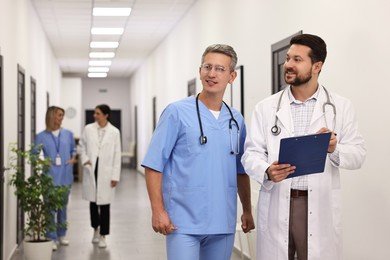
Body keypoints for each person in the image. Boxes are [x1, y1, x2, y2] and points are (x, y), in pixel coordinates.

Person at [241, 34, 366, 260]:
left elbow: (358, 155)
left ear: (317, 66)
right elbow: (250, 154)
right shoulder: (265, 108)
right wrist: (267, 170)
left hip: (318, 203)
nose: (288, 64)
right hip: (278, 201)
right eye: (288, 58)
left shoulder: (340, 107)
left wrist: (334, 148)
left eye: (297, 60)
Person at [142, 44, 255, 260]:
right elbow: (153, 164)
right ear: (200, 71)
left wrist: (247, 210)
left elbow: (241, 170)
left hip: (223, 221)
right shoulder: (176, 112)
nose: (211, 74)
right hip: (182, 221)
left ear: (232, 76)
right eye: (207, 67)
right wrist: (158, 210)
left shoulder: (235, 119)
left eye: (220, 69)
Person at [78, 104, 121, 248]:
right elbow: (81, 146)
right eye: (95, 113)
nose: (94, 115)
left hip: (106, 172)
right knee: (93, 203)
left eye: (97, 113)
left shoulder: (114, 132)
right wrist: (85, 159)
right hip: (92, 169)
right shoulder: (88, 129)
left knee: (104, 205)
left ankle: (103, 235)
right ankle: (95, 230)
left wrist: (115, 175)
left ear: (106, 115)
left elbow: (117, 154)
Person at [34, 106, 76, 250]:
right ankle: (51, 237)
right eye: (59, 115)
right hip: (50, 177)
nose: (61, 118)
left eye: (62, 115)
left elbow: (73, 150)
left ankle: (62, 235)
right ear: (52, 116)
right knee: (50, 210)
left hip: (65, 177)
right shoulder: (41, 136)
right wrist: (44, 162)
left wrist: (72, 159)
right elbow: (33, 155)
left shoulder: (68, 134)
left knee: (62, 208)